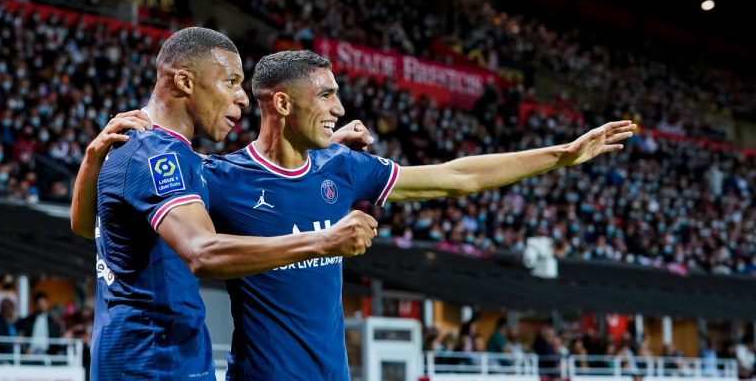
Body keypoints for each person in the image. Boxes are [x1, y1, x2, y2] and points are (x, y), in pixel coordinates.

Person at [74, 49, 635, 380]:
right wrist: (97, 159)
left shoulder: (341, 170)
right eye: (326, 96)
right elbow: (118, 220)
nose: (340, 107)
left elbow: (456, 176)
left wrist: (560, 156)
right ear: (285, 104)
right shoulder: (218, 179)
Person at [69, 28, 377, 380]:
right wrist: (324, 241)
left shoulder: (160, 150)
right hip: (148, 364)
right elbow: (203, 253)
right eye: (231, 81)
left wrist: (314, 146)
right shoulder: (154, 155)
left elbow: (84, 225)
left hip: (177, 356)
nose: (242, 98)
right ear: (185, 81)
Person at [18, 291, 63, 356]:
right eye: (40, 303)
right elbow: (21, 336)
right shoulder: (27, 321)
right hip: (30, 354)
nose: (42, 305)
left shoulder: (54, 322)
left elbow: (57, 339)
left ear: (47, 303)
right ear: (36, 304)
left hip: (48, 355)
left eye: (44, 303)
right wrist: (25, 349)